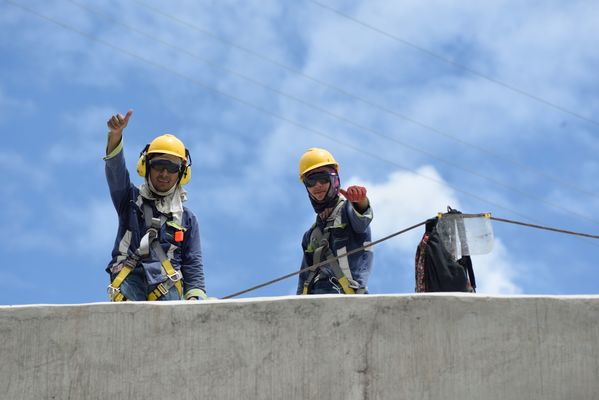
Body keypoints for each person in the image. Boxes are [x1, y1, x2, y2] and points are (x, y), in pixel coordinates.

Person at [104, 109, 207, 301]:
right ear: (147, 166)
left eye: (172, 168)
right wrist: (115, 135)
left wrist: (195, 298)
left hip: (168, 288)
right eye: (159, 165)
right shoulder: (130, 198)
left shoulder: (186, 219)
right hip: (128, 283)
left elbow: (193, 263)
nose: (165, 174)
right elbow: (115, 172)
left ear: (182, 173)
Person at [296, 148, 373, 295]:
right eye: (311, 181)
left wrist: (360, 201)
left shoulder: (348, 211)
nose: (317, 185)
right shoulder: (310, 236)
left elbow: (362, 218)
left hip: (347, 299)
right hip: (315, 304)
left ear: (335, 179)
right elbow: (303, 281)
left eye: (323, 179)